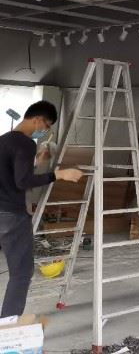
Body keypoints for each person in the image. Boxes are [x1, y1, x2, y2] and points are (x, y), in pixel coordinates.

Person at [0, 100, 82, 317]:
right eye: (46, 126)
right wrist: (58, 175)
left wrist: (36, 161)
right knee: (21, 273)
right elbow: (22, 181)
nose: (45, 131)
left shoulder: (4, 140)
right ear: (37, 119)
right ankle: (7, 327)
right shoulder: (26, 143)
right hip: (10, 215)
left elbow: (10, 171)